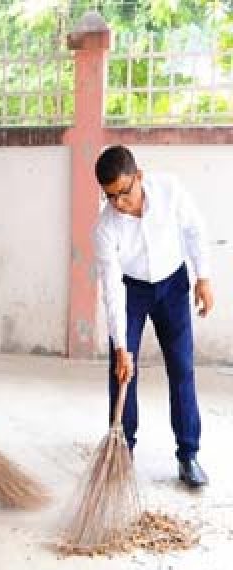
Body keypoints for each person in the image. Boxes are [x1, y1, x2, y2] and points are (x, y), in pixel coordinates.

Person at [93, 145, 214, 488]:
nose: (118, 203)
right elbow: (112, 288)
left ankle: (188, 454)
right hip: (131, 291)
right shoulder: (105, 228)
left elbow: (194, 229)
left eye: (123, 192)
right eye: (110, 197)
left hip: (173, 284)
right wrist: (121, 345)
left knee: (181, 367)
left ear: (139, 177)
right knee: (121, 372)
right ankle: (123, 453)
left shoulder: (169, 189)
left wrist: (203, 277)